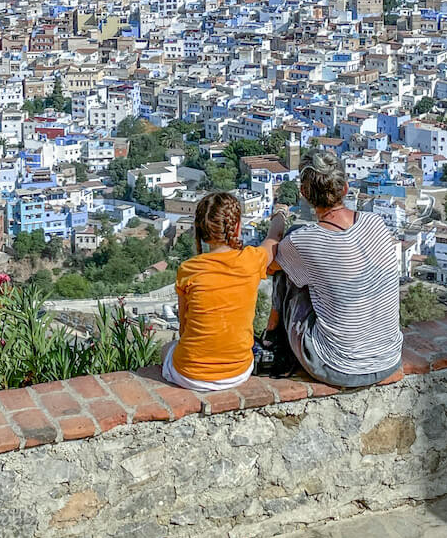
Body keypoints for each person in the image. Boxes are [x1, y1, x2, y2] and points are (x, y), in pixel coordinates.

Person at [262, 151, 402, 387]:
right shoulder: (376, 223)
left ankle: (272, 340)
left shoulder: (303, 241)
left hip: (338, 365)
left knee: (288, 263)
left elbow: (267, 265)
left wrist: (277, 222)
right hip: (389, 358)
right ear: (345, 189)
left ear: (304, 194)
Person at [162, 191, 286, 391]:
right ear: (236, 227)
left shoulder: (188, 269)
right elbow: (274, 237)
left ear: (201, 230)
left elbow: (184, 328)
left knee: (166, 348)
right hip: (238, 372)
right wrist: (280, 214)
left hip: (190, 374)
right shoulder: (251, 260)